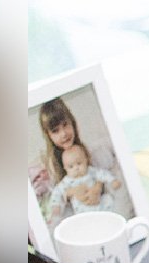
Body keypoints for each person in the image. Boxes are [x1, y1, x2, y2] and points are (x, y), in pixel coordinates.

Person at [31, 96, 131, 226]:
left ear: (72, 123)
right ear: (48, 135)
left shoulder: (86, 151)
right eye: (55, 131)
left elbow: (98, 173)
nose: (63, 134)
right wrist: (73, 192)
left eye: (65, 125)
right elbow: (58, 193)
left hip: (98, 199)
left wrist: (97, 188)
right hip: (78, 207)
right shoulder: (52, 164)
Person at [44, 143, 122, 225]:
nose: (76, 168)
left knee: (108, 199)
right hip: (83, 210)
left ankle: (112, 220)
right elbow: (57, 192)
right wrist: (56, 206)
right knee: (80, 220)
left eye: (79, 163)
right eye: (71, 166)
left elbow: (103, 174)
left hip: (100, 203)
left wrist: (113, 180)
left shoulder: (91, 171)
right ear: (65, 168)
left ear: (86, 160)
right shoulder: (67, 181)